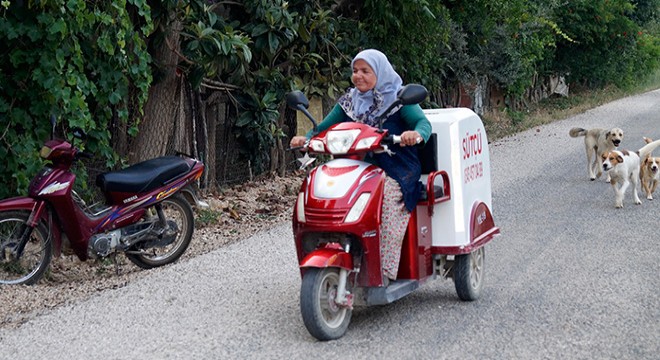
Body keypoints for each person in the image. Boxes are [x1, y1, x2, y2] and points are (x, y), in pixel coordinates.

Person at [290, 49, 432, 282]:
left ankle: (384, 270)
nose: (358, 76)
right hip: (356, 166)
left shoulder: (397, 97)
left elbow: (422, 123)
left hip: (395, 166)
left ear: (380, 72)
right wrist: (305, 139)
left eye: (366, 71)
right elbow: (323, 127)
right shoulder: (350, 101)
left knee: (387, 198)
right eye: (355, 71)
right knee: (324, 194)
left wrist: (414, 135)